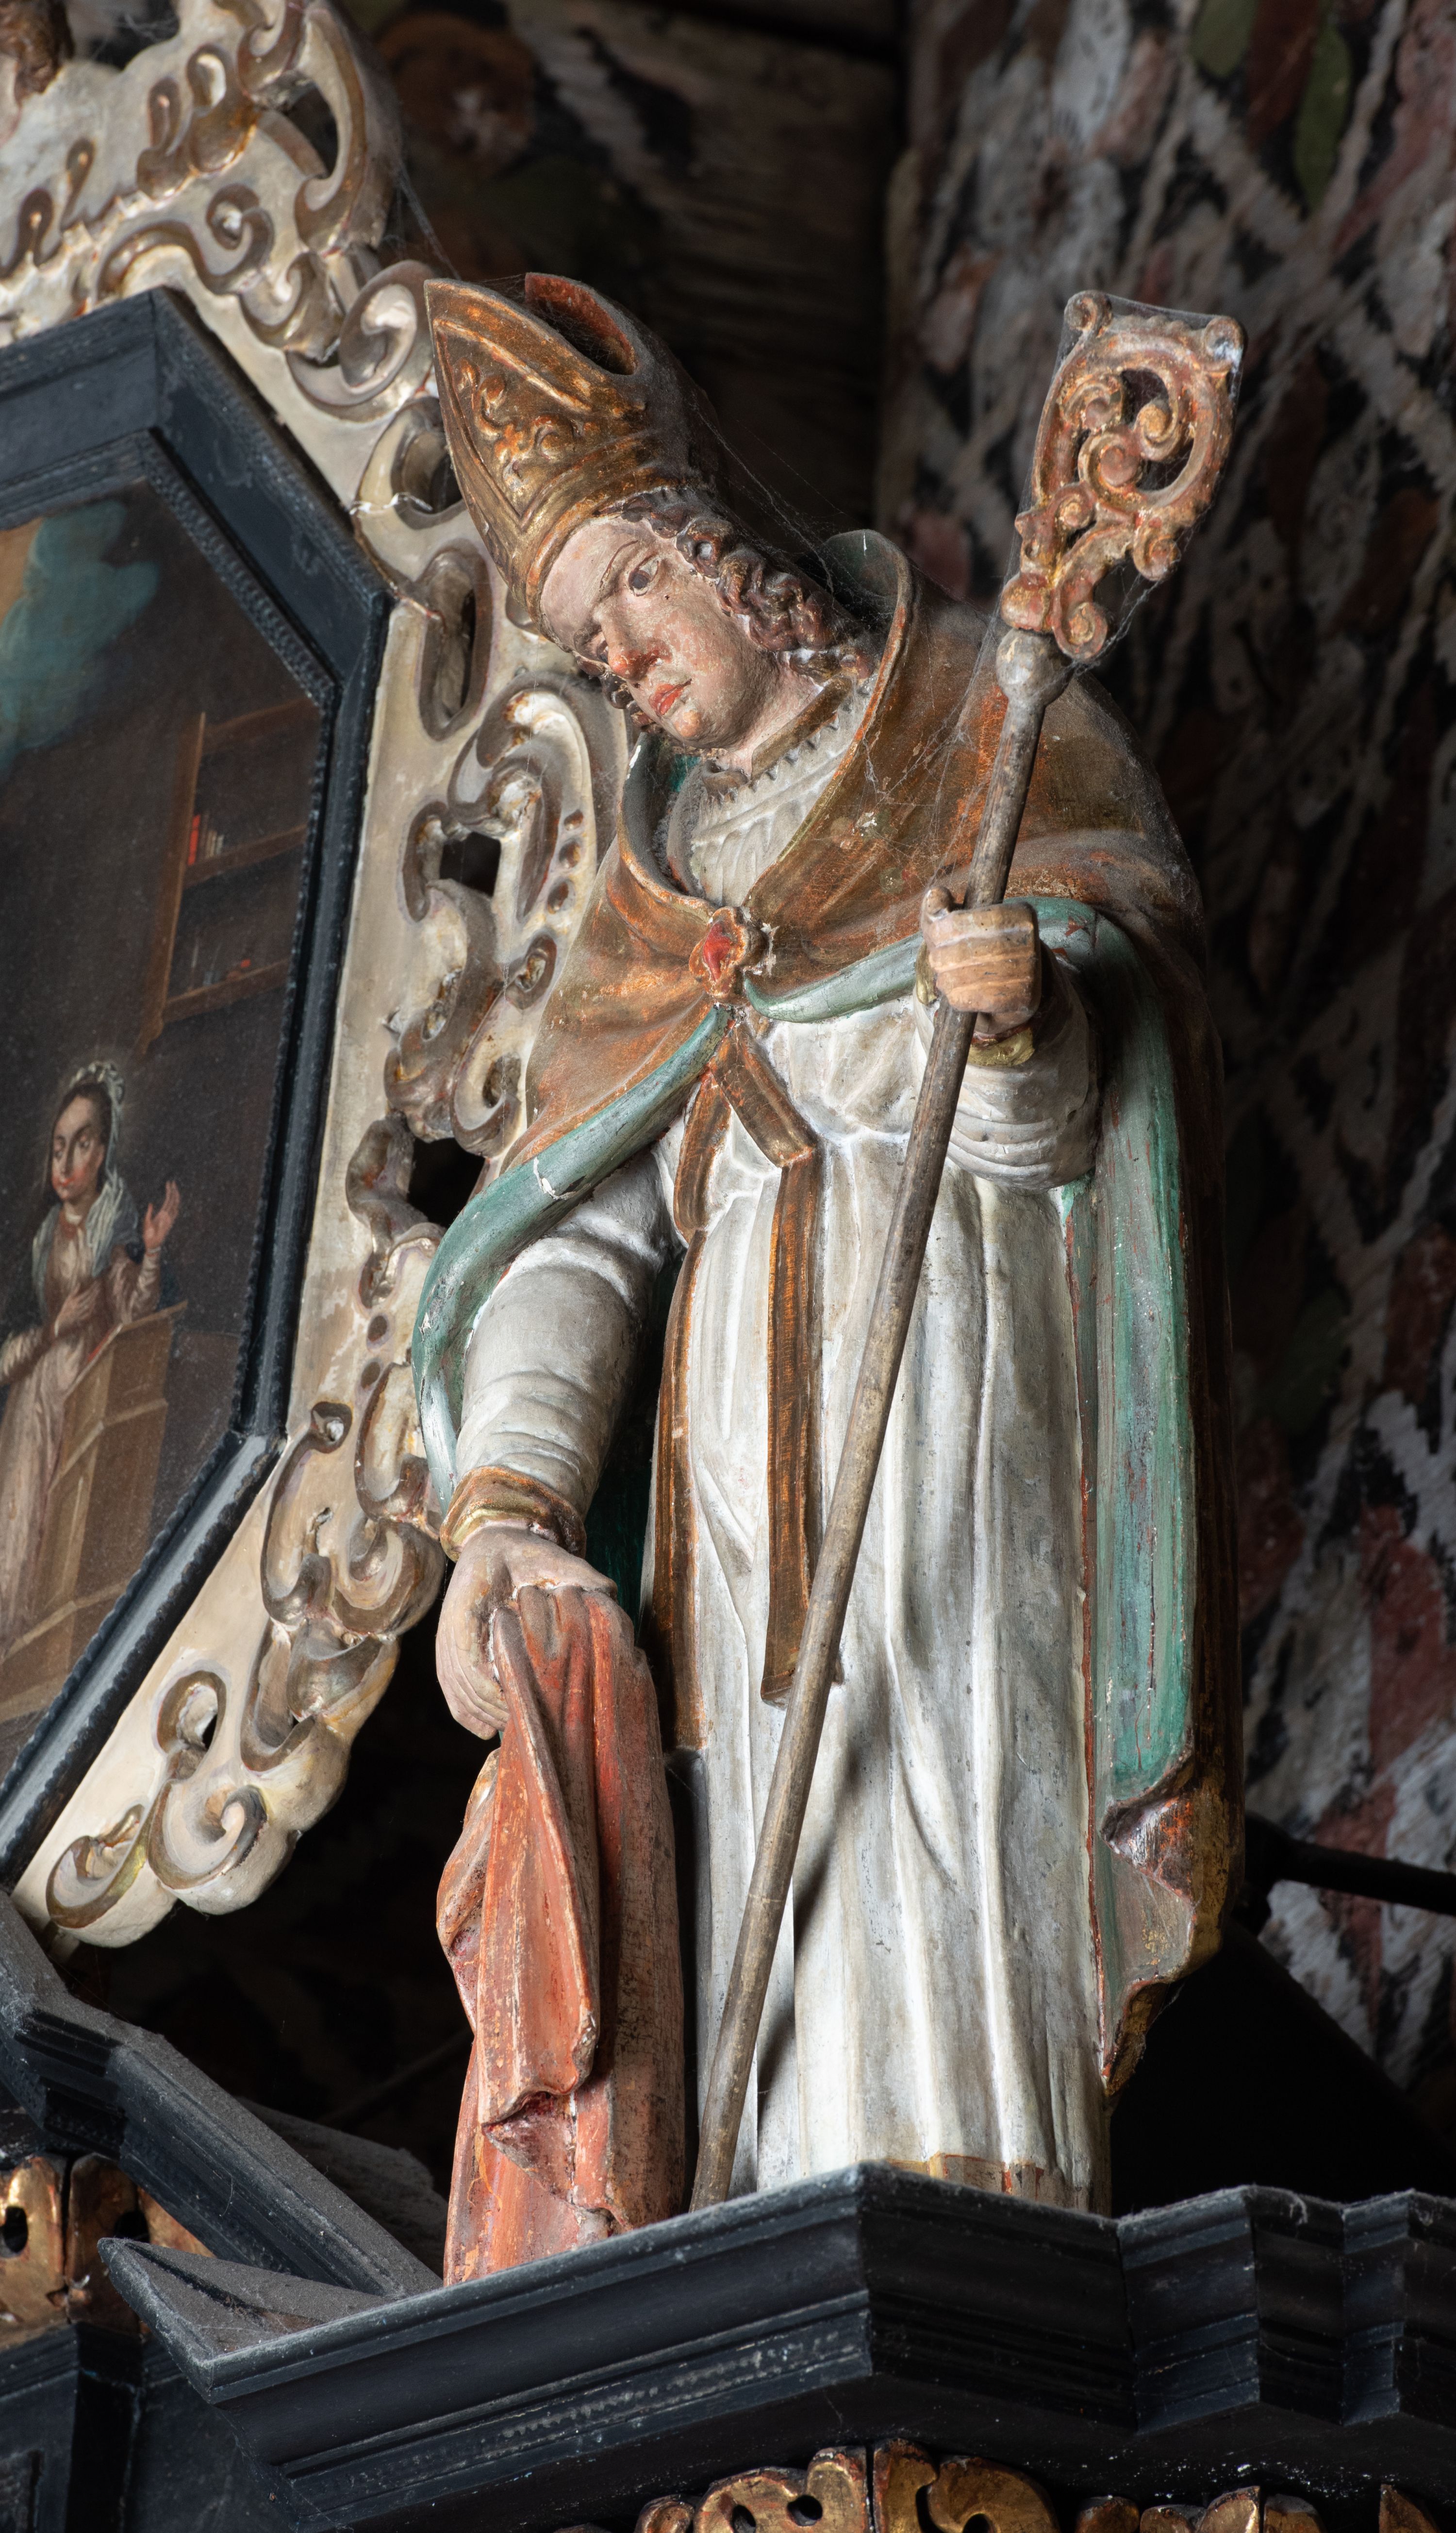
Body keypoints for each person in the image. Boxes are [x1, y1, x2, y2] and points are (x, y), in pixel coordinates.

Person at [414, 274, 1240, 2278]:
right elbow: (577, 1220)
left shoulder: (985, 728)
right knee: (764, 1851)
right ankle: (792, 2271)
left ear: (726, 544)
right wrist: (511, 1500)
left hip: (965, 1374)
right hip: (729, 1486)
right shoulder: (651, 893)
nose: (625, 657)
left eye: (635, 586)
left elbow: (1114, 1117)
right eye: (587, 638)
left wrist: (1024, 1015)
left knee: (943, 1794)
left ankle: (981, 2244)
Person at [0, 1063, 180, 1660]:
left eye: (81, 1144)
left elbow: (131, 1311)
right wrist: (55, 1328)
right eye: (59, 1147)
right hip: (33, 1408)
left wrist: (151, 1252)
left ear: (102, 1151)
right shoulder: (42, 1240)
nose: (66, 1161)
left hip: (85, 1394)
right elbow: (14, 1346)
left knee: (65, 1532)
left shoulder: (114, 1224)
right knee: (19, 1523)